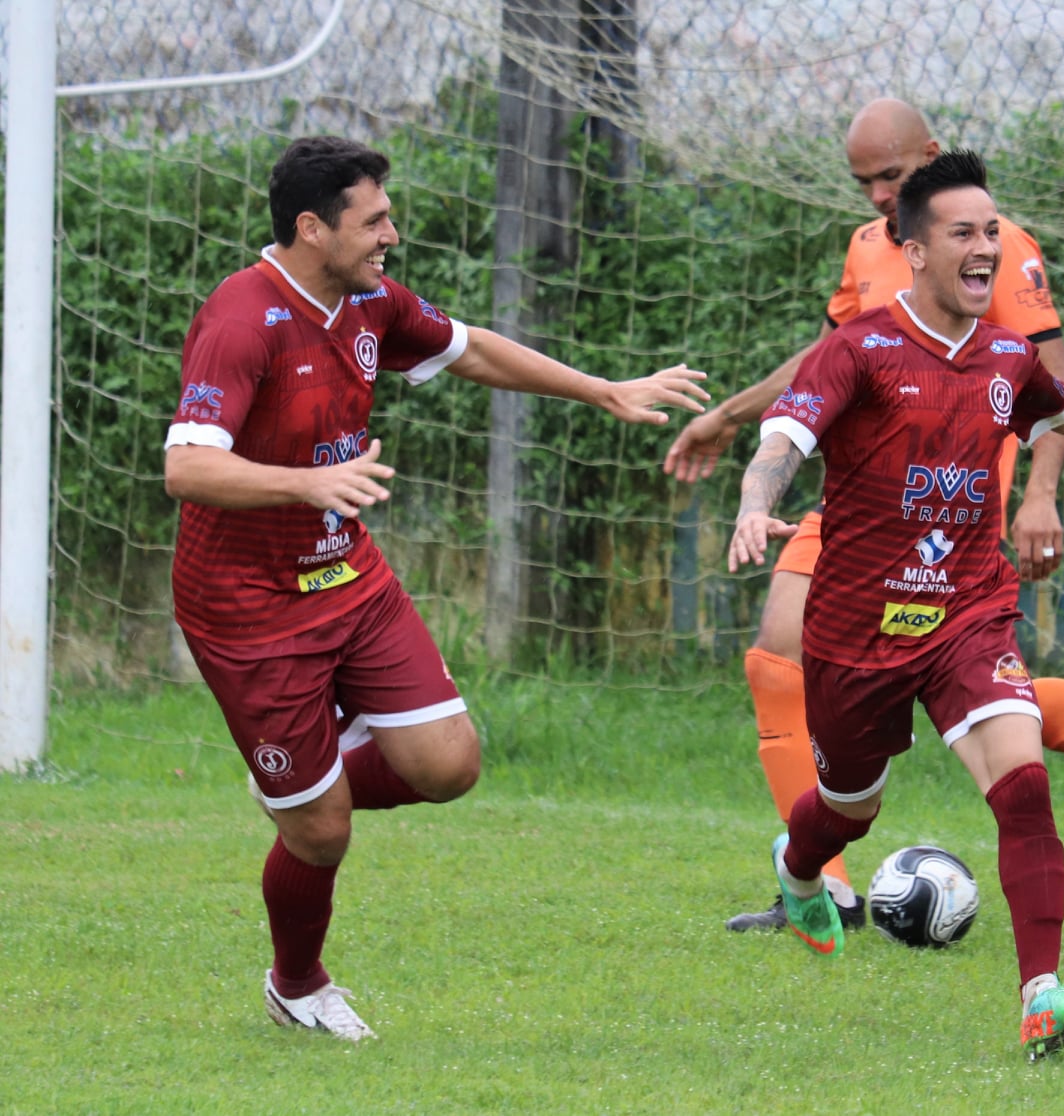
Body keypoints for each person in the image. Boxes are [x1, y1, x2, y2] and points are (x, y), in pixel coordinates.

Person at [163, 136, 708, 1041]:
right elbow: (187, 468)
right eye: (373, 220)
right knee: (323, 835)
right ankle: (297, 983)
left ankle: (304, 784)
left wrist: (602, 389)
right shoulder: (240, 317)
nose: (392, 234)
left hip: (346, 575)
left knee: (448, 764)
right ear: (311, 227)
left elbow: (470, 349)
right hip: (246, 606)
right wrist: (305, 484)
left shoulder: (369, 299)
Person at [666, 98, 1064, 933]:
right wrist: (729, 419)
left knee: (989, 703)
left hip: (949, 510)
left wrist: (1042, 494)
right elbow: (829, 359)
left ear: (930, 161)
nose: (874, 194)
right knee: (776, 656)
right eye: (863, 182)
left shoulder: (995, 251)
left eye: (889, 177)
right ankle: (819, 880)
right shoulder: (871, 245)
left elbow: (1052, 385)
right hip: (861, 502)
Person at [729, 149, 1064, 1059]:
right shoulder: (860, 348)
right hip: (857, 629)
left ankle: (1042, 994)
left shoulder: (1002, 353)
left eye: (992, 229)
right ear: (912, 250)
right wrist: (757, 504)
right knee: (846, 811)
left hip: (966, 612)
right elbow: (784, 438)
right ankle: (798, 869)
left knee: (1024, 788)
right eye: (963, 232)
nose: (985, 246)